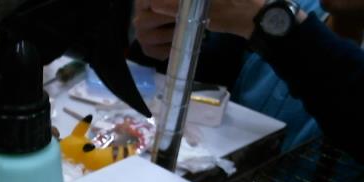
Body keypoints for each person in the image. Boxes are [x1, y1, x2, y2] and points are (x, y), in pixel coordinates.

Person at [131, 0, 364, 159]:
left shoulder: (283, 18)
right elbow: (204, 70)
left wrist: (273, 23)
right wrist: (170, 31)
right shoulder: (295, 8)